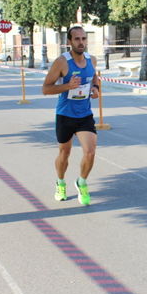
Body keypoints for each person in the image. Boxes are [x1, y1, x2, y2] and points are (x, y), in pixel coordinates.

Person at [42, 26, 100, 206]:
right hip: (65, 115)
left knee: (90, 152)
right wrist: (67, 86)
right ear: (69, 42)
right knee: (64, 154)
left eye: (84, 39)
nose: (81, 42)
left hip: (84, 115)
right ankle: (60, 183)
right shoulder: (62, 62)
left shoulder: (92, 60)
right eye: (77, 39)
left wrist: (96, 89)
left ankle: (81, 182)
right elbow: (46, 89)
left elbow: (94, 78)